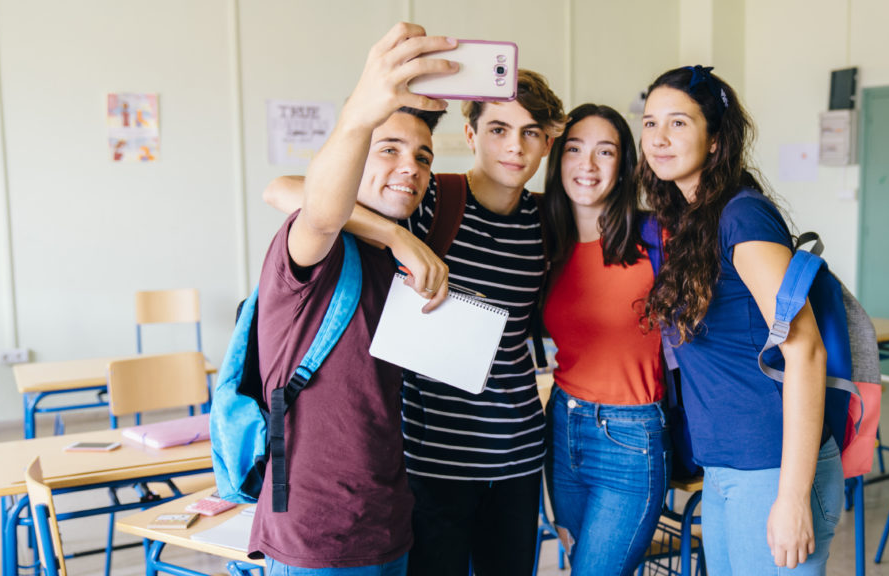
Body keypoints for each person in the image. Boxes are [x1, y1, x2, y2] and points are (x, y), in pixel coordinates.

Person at [264, 70, 567, 576]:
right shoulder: (428, 199)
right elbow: (288, 190)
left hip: (515, 455)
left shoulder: (546, 222)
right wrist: (398, 236)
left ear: (547, 142)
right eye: (498, 129)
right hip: (429, 460)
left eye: (531, 132)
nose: (514, 146)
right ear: (471, 136)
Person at [250, 22, 455, 576]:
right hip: (317, 534)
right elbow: (318, 205)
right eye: (387, 149)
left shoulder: (399, 259)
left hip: (387, 521)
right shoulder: (316, 247)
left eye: (423, 156)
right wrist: (361, 113)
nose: (409, 167)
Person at [639, 65, 843, 575]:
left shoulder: (742, 217)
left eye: (679, 123)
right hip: (728, 463)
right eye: (649, 123)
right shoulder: (689, 219)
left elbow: (806, 349)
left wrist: (793, 498)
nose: (659, 138)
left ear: (714, 140)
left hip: (771, 467)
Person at [540, 103, 668, 575]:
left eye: (605, 151)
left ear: (625, 165)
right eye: (574, 149)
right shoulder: (544, 238)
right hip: (564, 422)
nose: (587, 165)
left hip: (630, 436)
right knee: (579, 562)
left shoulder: (657, 237)